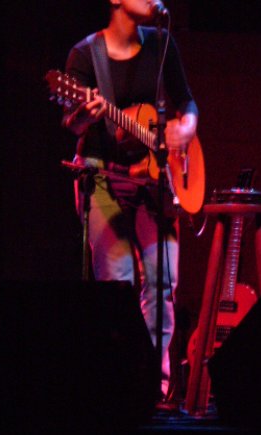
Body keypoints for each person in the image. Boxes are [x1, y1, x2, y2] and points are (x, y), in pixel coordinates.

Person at [62, 0, 198, 399]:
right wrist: (84, 116)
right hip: (104, 175)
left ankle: (155, 385)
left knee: (162, 280)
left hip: (153, 180)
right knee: (117, 281)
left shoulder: (161, 43)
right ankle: (120, 384)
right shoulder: (85, 54)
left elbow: (186, 101)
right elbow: (72, 123)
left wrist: (186, 127)